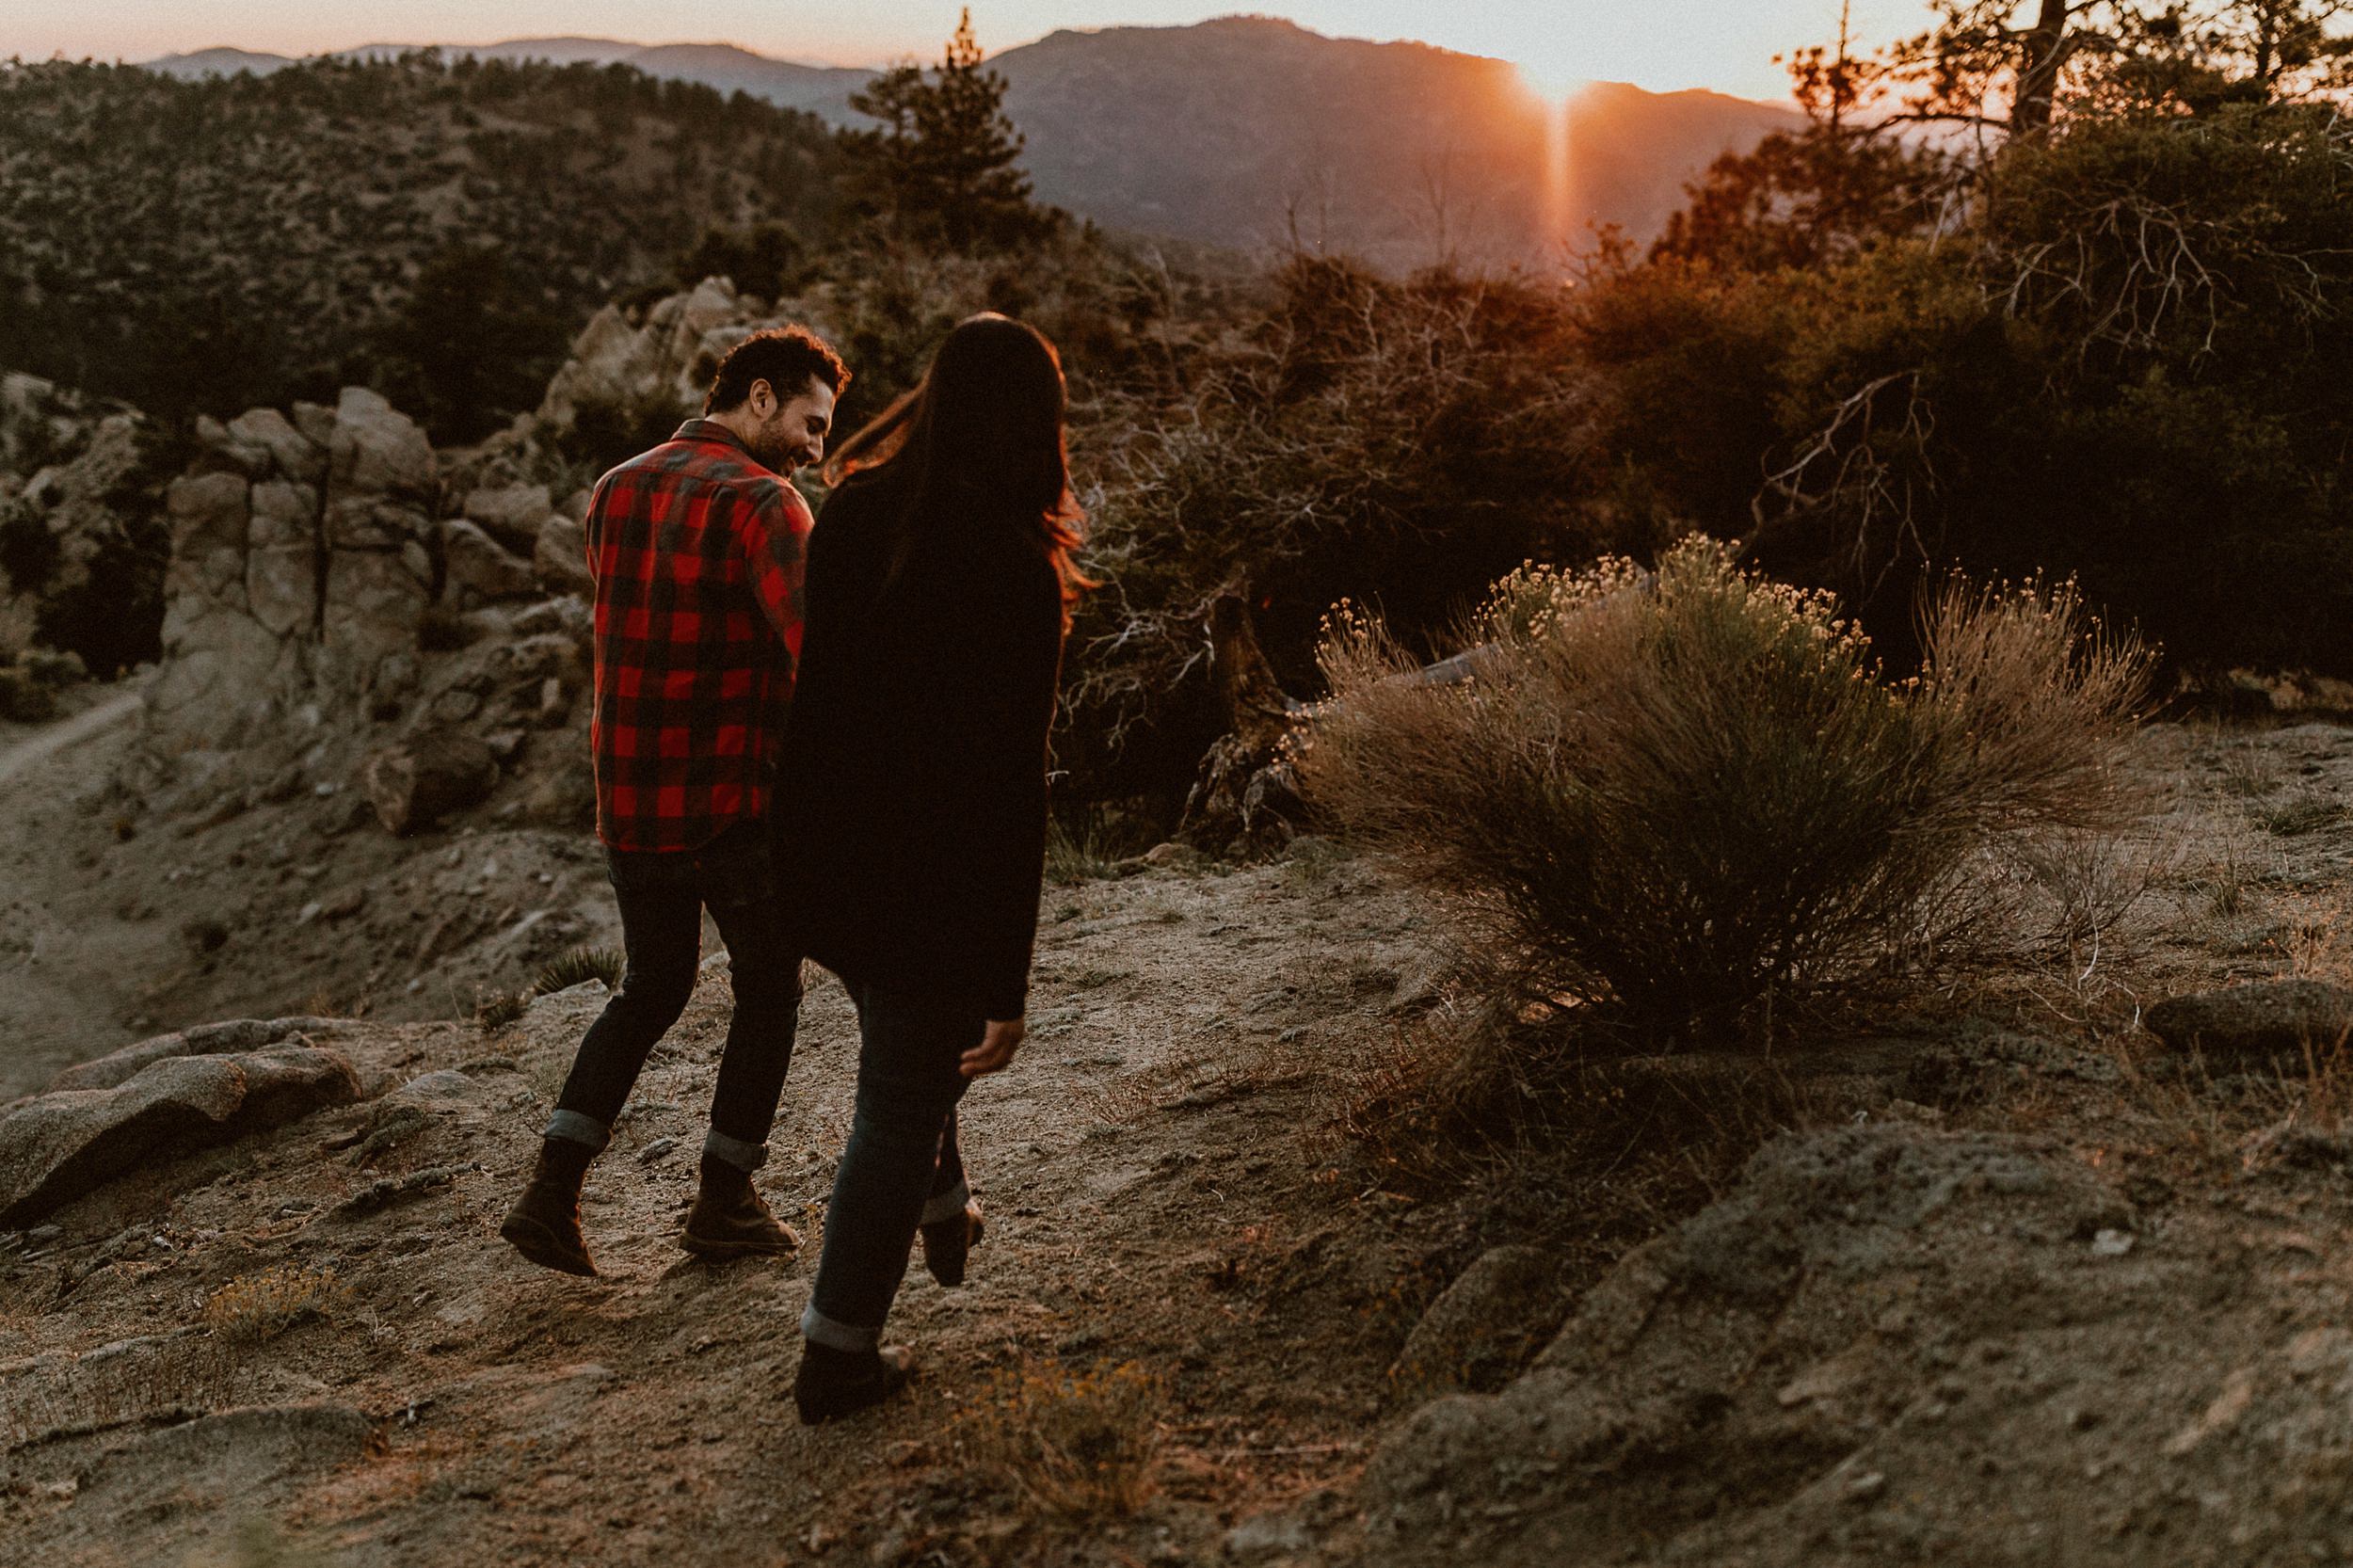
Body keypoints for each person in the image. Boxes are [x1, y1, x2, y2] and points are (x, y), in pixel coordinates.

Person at [775, 313, 1085, 1423]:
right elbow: (1012, 789)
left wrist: (792, 863)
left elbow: (815, 705)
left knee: (903, 1061)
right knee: (899, 1103)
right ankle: (838, 1356)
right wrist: (1006, 984)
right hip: (930, 884)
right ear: (1038, 426)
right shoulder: (1014, 563)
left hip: (829, 862)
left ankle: (944, 1209)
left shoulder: (853, 512)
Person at [501, 326, 849, 1277]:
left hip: (630, 803)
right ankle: (723, 1202)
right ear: (762, 397)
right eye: (812, 426)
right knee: (769, 991)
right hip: (730, 805)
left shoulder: (616, 486)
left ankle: (551, 1193)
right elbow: (821, 658)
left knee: (651, 988)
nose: (815, 450)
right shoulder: (764, 505)